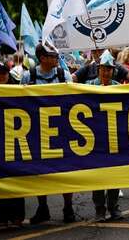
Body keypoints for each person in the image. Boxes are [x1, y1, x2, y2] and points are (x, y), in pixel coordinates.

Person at [21, 42, 77, 224]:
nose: (56, 59)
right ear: (42, 58)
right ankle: (42, 208)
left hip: (61, 129)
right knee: (39, 171)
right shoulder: (28, 76)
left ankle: (68, 207)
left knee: (66, 170)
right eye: (53, 56)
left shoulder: (63, 75)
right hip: (38, 131)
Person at [0, 62, 26, 230]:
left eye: (4, 72)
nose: (1, 76)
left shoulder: (17, 90)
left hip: (16, 141)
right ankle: (1, 219)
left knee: (17, 180)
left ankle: (17, 217)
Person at [87, 51, 123, 222]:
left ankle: (114, 207)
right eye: (103, 68)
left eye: (109, 69)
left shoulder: (118, 87)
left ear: (113, 71)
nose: (106, 72)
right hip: (95, 139)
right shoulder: (88, 86)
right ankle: (99, 209)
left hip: (114, 137)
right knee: (98, 176)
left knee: (115, 174)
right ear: (98, 69)